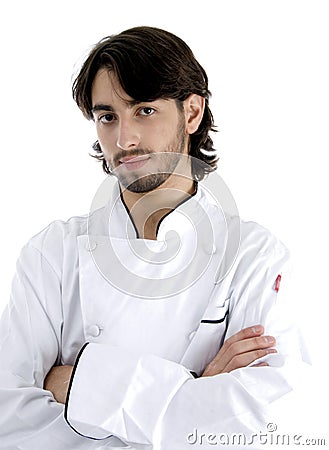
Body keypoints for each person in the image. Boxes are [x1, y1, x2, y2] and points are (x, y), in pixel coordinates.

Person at [0, 26, 308, 449]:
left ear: (192, 113)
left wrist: (82, 386)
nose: (124, 139)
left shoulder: (253, 257)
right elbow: (11, 420)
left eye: (144, 110)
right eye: (107, 116)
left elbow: (266, 422)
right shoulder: (52, 254)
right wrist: (196, 388)